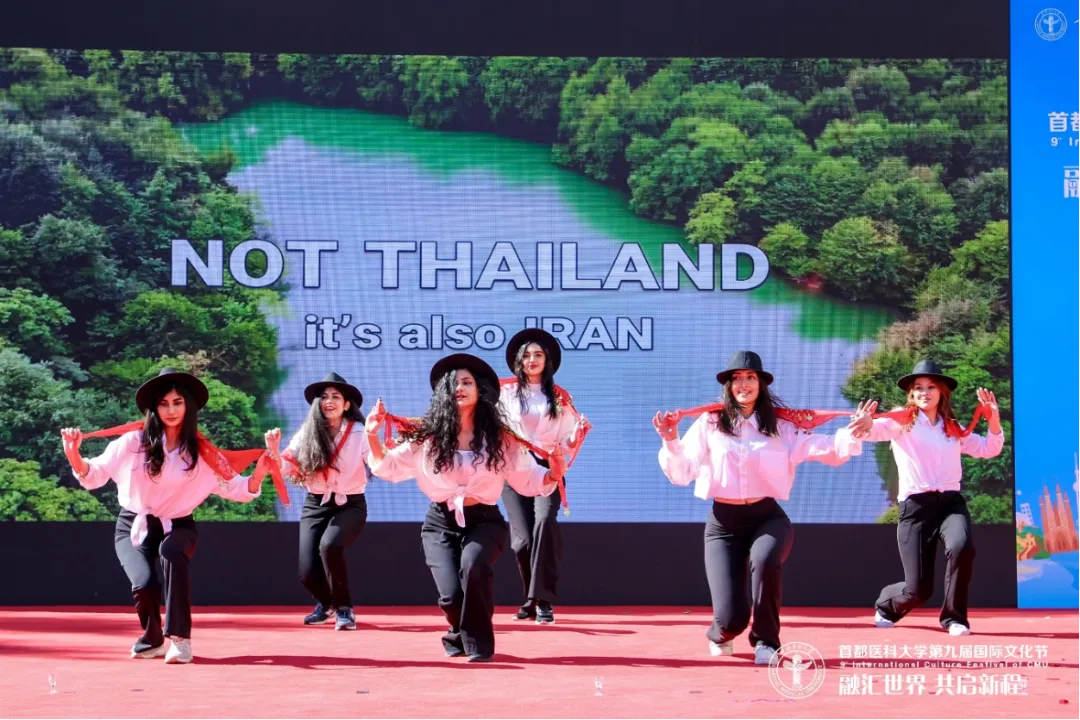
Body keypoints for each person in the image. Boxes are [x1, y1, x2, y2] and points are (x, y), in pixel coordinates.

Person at [653, 351, 874, 664]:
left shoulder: (780, 425)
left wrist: (855, 431)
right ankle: (721, 633)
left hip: (766, 518)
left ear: (761, 384)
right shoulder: (710, 422)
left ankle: (766, 642)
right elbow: (682, 473)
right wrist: (671, 439)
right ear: (728, 386)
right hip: (724, 525)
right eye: (737, 378)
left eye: (750, 377)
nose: (743, 384)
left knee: (766, 560)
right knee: (732, 619)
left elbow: (823, 448)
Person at [59, 368, 273, 664]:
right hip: (133, 524)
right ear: (154, 408)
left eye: (177, 402)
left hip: (178, 526)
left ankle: (181, 641)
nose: (171, 410)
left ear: (188, 406)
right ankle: (153, 638)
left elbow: (236, 488)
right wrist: (73, 454)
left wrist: (259, 474)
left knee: (171, 552)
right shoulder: (133, 442)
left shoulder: (202, 452)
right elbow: (94, 474)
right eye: (163, 403)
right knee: (144, 583)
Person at [365, 353, 566, 662]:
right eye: (453, 384)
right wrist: (371, 435)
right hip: (439, 523)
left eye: (466, 382)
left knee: (473, 568)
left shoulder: (501, 439)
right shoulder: (426, 437)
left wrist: (553, 473)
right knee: (450, 596)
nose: (459, 388)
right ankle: (457, 634)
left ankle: (479, 646)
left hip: (484, 522)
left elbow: (526, 478)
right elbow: (388, 466)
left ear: (479, 390)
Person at [849, 359, 1003, 636]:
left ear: (942, 392)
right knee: (918, 590)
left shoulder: (952, 428)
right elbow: (874, 430)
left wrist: (993, 421)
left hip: (950, 505)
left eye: (931, 387)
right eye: (918, 387)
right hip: (916, 509)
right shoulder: (901, 421)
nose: (924, 392)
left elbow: (988, 449)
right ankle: (886, 606)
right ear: (911, 394)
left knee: (962, 547)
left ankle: (955, 618)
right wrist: (866, 423)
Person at [498, 329, 590, 624]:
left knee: (544, 523)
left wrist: (576, 436)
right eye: (526, 355)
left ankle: (544, 600)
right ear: (518, 360)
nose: (532, 360)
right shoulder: (503, 393)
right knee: (522, 540)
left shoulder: (560, 396)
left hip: (549, 468)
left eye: (538, 354)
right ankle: (530, 598)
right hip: (513, 467)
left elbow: (567, 442)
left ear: (547, 360)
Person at [275, 372, 370, 631]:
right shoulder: (308, 431)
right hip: (316, 502)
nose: (329, 401)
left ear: (347, 404)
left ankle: (344, 609)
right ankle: (326, 604)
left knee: (330, 545)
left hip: (350, 504)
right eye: (324, 397)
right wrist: (273, 452)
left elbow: (377, 461)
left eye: (336, 397)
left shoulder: (359, 432)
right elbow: (287, 462)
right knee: (306, 570)